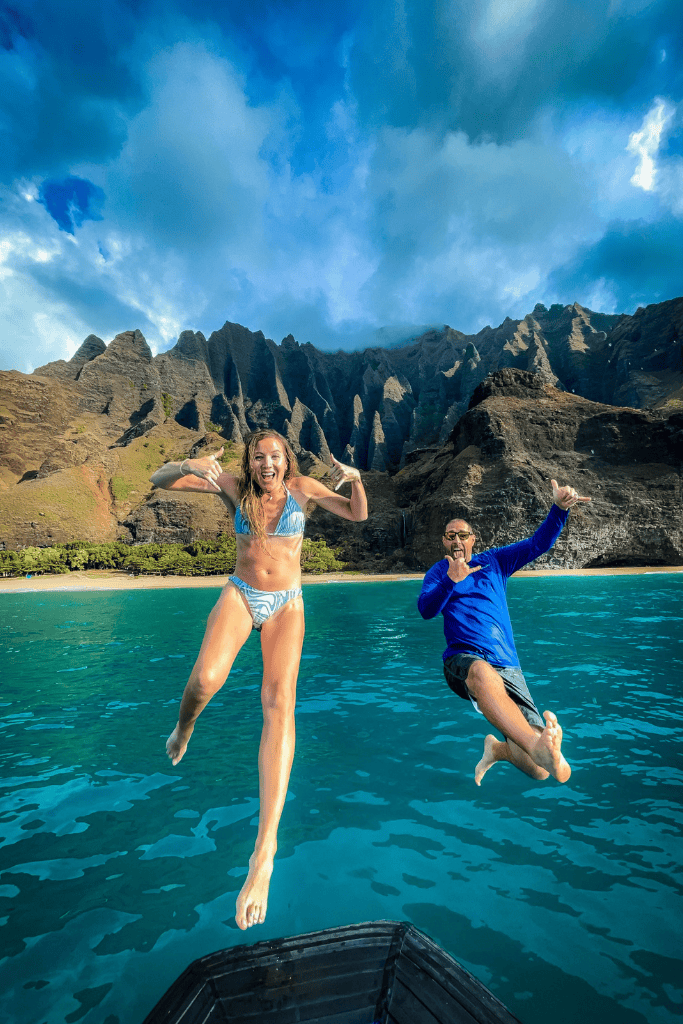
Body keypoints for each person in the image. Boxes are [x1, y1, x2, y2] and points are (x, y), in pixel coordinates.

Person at [150, 430, 367, 930]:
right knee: (205, 679)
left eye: (275, 456)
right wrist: (190, 460)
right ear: (249, 461)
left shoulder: (304, 489)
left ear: (286, 460)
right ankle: (185, 727)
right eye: (258, 456)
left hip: (287, 603)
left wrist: (354, 480)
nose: (266, 463)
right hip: (242, 591)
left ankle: (263, 851)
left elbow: (358, 514)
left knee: (279, 704)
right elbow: (160, 479)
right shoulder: (230, 486)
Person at [417, 478, 590, 787]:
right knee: (482, 673)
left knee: (539, 769)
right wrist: (450, 581)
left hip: (509, 667)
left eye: (463, 535)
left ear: (473, 539)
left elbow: (539, 544)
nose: (457, 541)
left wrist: (560, 509)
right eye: (450, 536)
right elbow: (426, 610)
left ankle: (499, 750)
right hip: (463, 660)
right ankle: (536, 744)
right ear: (444, 542)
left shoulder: (495, 561)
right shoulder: (438, 572)